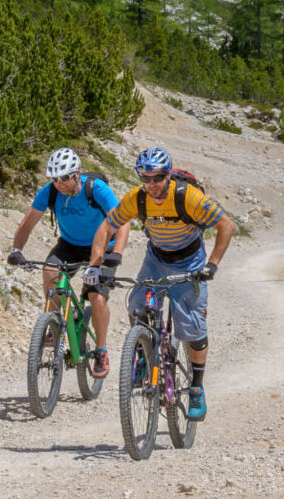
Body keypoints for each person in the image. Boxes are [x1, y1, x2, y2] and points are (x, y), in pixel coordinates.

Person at [91, 146, 232, 420]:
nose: (152, 184)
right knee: (136, 305)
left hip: (190, 261)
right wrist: (96, 266)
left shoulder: (187, 196)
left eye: (158, 177)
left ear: (168, 175)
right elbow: (107, 226)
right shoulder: (137, 198)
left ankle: (196, 390)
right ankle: (143, 356)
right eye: (146, 177)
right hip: (155, 259)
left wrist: (211, 264)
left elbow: (226, 225)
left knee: (192, 328)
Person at [8, 147, 129, 378]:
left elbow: (122, 222)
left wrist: (117, 254)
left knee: (96, 295)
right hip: (71, 244)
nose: (60, 183)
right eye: (55, 179)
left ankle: (101, 350)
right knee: (49, 270)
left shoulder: (97, 189)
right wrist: (16, 250)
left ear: (77, 173)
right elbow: (27, 224)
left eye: (65, 177)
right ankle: (55, 323)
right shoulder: (49, 192)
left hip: (102, 245)